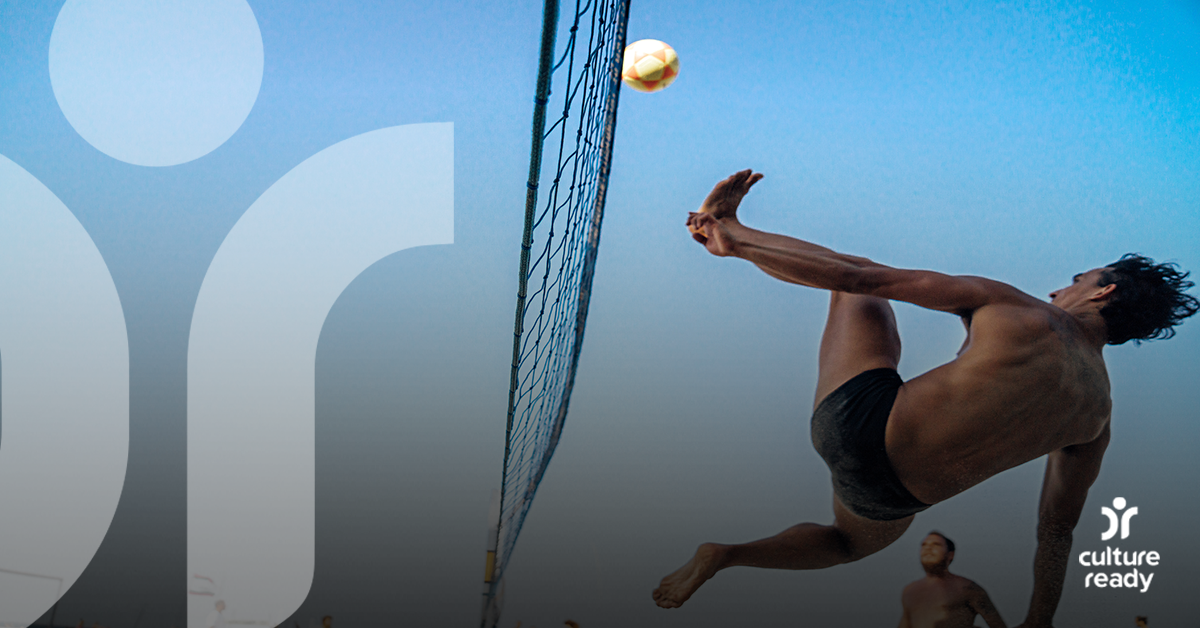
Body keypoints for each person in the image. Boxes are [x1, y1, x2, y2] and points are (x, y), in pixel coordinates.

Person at [652, 171, 1199, 627]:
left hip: (862, 420)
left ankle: (730, 235)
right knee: (847, 545)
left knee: (855, 282)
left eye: (1077, 280)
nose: (1058, 289)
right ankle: (725, 555)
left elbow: (860, 276)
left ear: (1104, 291)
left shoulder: (1020, 308)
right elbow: (1057, 530)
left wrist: (736, 238)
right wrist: (1038, 620)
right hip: (891, 497)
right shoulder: (1097, 415)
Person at [897, 532, 1005, 628]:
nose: (928, 548)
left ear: (950, 554)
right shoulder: (910, 591)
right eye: (924, 545)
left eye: (936, 544)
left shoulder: (967, 588)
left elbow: (997, 625)